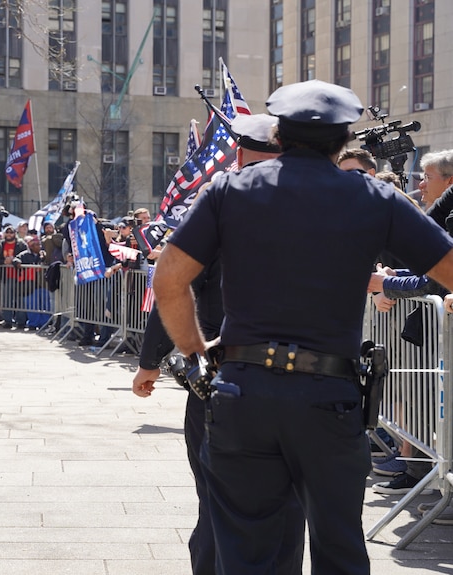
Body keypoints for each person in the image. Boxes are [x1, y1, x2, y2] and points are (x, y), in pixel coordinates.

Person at [153, 79, 453, 574]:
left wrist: (198, 352)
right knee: (339, 548)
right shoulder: (375, 198)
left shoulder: (229, 190)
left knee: (248, 552)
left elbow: (168, 281)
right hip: (328, 398)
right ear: (342, 141)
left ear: (278, 133)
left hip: (243, 391)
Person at [133, 114, 304, 575]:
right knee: (289, 503)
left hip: (221, 375)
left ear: (239, 154)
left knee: (216, 495)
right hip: (302, 381)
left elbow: (171, 286)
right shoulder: (316, 206)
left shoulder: (219, 202)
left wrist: (151, 362)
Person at [0, 225, 27, 329]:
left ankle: (21, 321)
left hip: (19, 276)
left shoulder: (21, 244)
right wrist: (4, 261)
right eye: (7, 232)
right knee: (6, 299)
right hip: (5, 276)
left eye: (11, 232)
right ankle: (7, 320)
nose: (9, 234)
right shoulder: (1, 245)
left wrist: (15, 260)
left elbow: (26, 257)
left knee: (20, 299)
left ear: (15, 234)